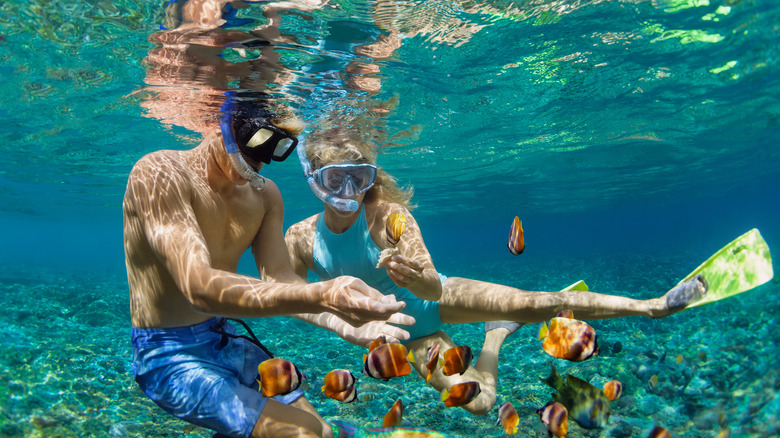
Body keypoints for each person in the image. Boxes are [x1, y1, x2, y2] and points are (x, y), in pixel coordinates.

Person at [283, 125, 708, 416]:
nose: (349, 191)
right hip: (409, 338)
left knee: (538, 303)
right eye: (336, 179)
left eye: (359, 178)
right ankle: (496, 333)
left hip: (439, 298)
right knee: (481, 404)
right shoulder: (300, 238)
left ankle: (652, 306)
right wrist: (337, 318)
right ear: (314, 180)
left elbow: (431, 282)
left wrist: (414, 276)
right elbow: (288, 297)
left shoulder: (386, 216)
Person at [123, 99, 414, 438]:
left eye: (274, 149)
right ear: (226, 125)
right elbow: (198, 286)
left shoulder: (265, 196)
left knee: (321, 431)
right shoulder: (159, 172)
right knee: (302, 434)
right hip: (168, 355)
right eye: (256, 143)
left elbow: (280, 278)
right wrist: (323, 295)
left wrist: (341, 322)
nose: (259, 163)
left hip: (225, 337)